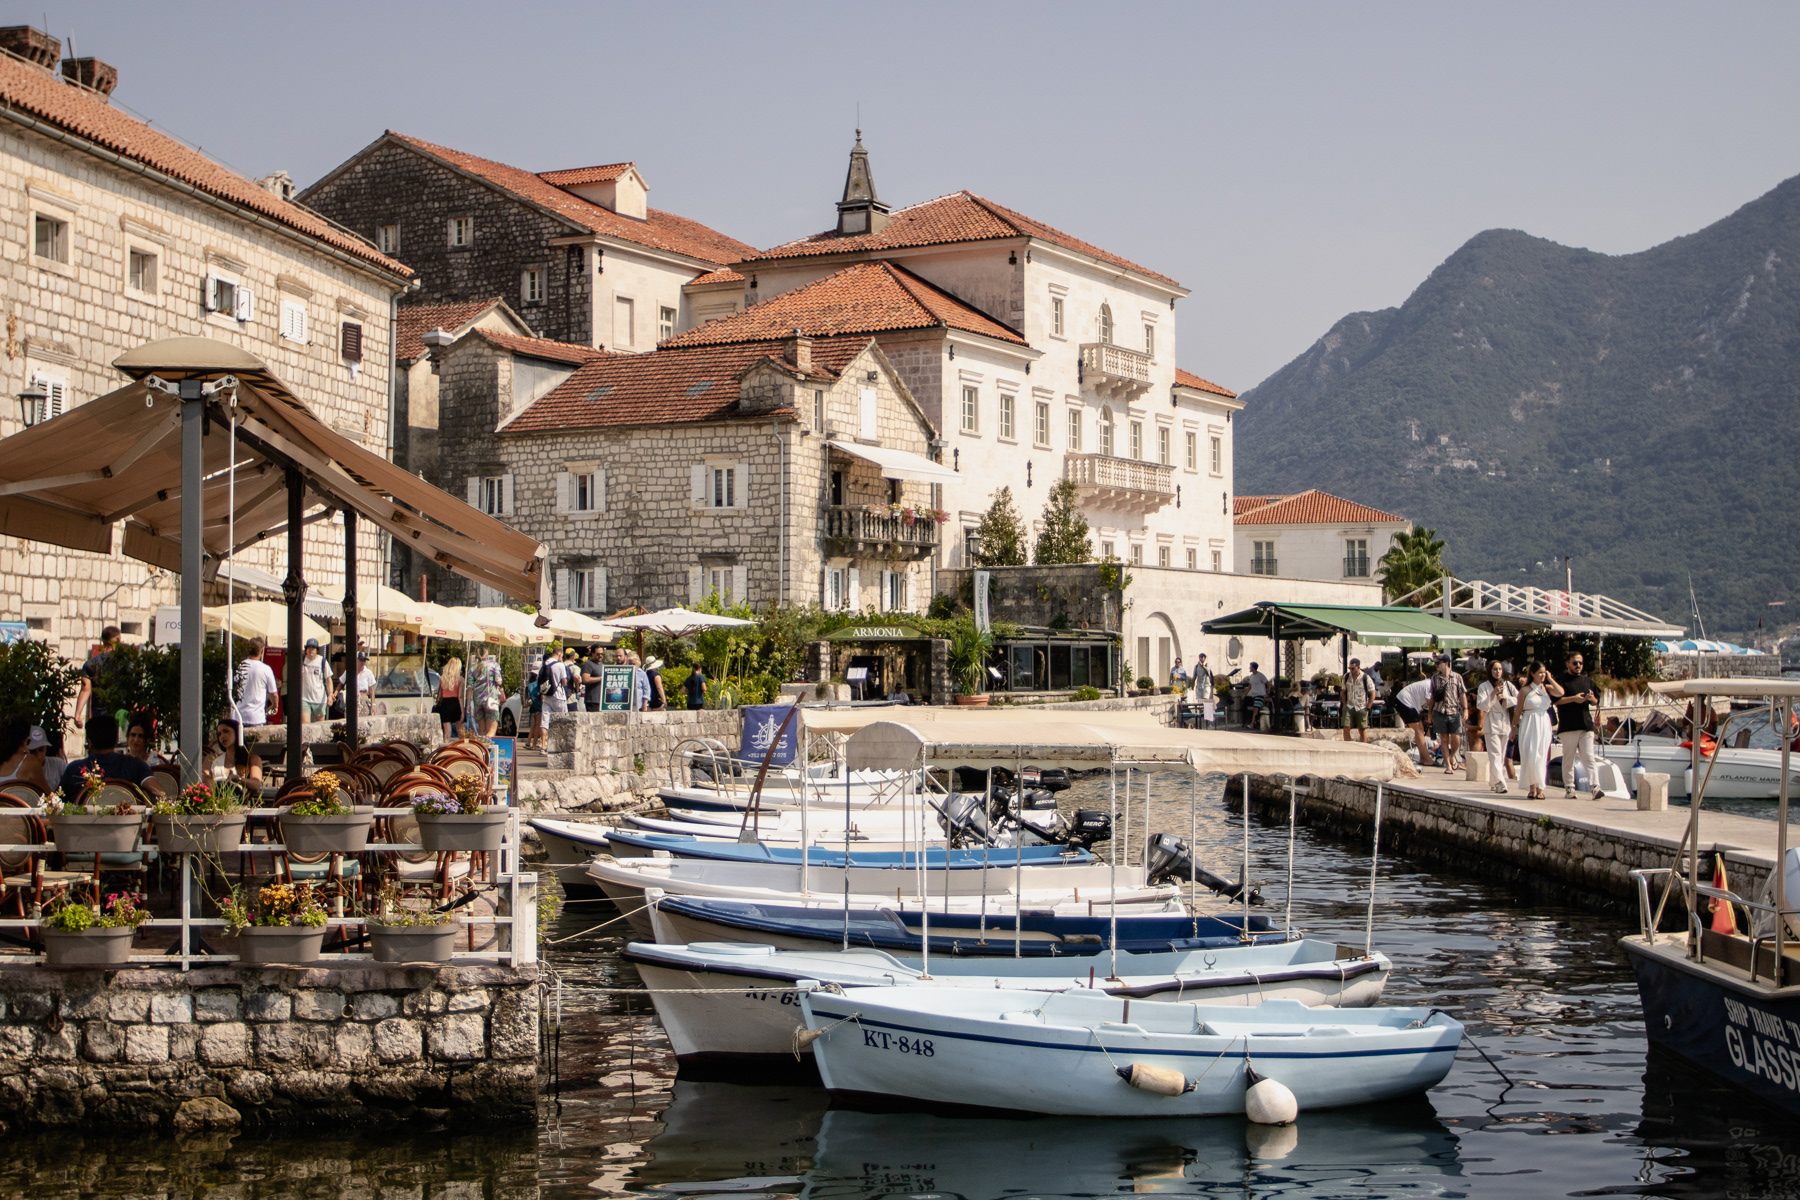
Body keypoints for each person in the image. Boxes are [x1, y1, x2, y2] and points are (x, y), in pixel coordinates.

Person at [58, 714, 152, 798]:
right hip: (128, 817)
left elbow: (57, 804)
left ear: (89, 742)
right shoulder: (135, 765)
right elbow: (158, 792)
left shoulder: (74, 769)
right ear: (116, 740)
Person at [1555, 652, 1604, 800]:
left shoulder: (1587, 681)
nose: (1578, 666)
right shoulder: (1561, 681)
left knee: (1588, 757)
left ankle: (1595, 787)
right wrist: (1573, 699)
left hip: (1586, 725)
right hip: (1568, 726)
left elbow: (1596, 701)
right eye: (1575, 663)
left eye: (1580, 663)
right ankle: (1569, 788)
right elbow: (1556, 701)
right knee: (1568, 758)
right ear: (1568, 664)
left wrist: (1591, 699)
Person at [1514, 662, 1563, 800]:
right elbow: (1518, 710)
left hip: (1543, 723)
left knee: (1541, 756)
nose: (1542, 675)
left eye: (1544, 672)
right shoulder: (1525, 690)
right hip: (1529, 722)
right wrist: (1513, 729)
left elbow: (1561, 692)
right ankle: (1532, 787)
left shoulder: (1546, 688)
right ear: (1532, 673)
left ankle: (1540, 788)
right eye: (1540, 672)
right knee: (1530, 756)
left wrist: (1550, 679)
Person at [1476, 660, 1519, 795]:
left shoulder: (1508, 686)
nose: (1497, 672)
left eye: (1500, 669)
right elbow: (1481, 705)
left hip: (1505, 724)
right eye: (1495, 669)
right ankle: (1501, 782)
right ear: (1490, 671)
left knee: (1501, 756)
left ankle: (1493, 781)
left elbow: (1519, 699)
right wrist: (1493, 694)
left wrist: (1505, 698)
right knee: (1494, 754)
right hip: (1491, 724)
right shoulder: (1484, 687)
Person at [73, 624, 121, 727]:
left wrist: (77, 715)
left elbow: (85, 689)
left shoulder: (90, 664)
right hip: (120, 714)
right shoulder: (124, 663)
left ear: (103, 641)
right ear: (118, 640)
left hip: (98, 715)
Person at [1428, 657, 1467, 775]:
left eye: (1438, 663)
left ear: (1446, 663)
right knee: (1444, 739)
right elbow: (1432, 697)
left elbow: (1462, 694)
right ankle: (1448, 766)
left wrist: (1465, 709)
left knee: (1456, 739)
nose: (1436, 666)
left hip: (1454, 711)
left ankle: (1451, 756)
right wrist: (1430, 713)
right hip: (1440, 711)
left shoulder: (1457, 677)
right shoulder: (1435, 678)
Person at [202, 718, 264, 786]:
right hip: (214, 794)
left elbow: (256, 784)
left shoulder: (252, 759)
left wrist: (237, 779)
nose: (222, 736)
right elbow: (203, 778)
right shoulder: (211, 758)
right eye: (219, 734)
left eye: (226, 731)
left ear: (237, 732)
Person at [235, 638, 279, 729]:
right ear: (262, 651)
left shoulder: (238, 666)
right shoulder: (266, 669)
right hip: (256, 718)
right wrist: (275, 706)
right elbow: (273, 694)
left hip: (238, 716)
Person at [1392, 673, 1435, 764]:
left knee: (1420, 730)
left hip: (1408, 703)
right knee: (1419, 730)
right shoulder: (1429, 685)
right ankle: (1427, 759)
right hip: (1405, 701)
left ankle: (1422, 758)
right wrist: (1432, 716)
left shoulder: (1430, 685)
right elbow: (1430, 702)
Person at [468, 648, 503, 737]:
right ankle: (487, 748)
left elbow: (469, 688)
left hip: (477, 701)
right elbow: (499, 682)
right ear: (487, 654)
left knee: (482, 730)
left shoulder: (472, 669)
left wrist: (468, 704)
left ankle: (482, 748)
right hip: (490, 699)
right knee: (492, 728)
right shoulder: (494, 665)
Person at [1341, 658, 1376, 743]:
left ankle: (1364, 747)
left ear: (1358, 667)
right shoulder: (1346, 677)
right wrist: (1344, 704)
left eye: (1353, 668)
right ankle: (1347, 746)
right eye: (1350, 668)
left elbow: (1372, 693)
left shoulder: (1365, 677)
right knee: (1346, 727)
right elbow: (1343, 691)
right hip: (1350, 705)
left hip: (1361, 706)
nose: (1351, 670)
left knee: (1362, 729)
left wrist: (1368, 707)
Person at [299, 638, 332, 725]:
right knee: (305, 724)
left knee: (319, 725)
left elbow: (328, 679)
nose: (311, 650)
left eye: (313, 648)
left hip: (319, 698)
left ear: (317, 650)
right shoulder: (302, 661)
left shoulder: (322, 661)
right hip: (305, 698)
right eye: (309, 648)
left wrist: (330, 695)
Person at [437, 657, 464, 743]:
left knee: (447, 733)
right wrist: (462, 712)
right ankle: (462, 750)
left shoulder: (442, 679)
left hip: (445, 704)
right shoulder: (460, 679)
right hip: (456, 703)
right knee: (460, 731)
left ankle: (446, 750)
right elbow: (460, 696)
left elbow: (439, 696)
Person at [581, 647, 606, 712]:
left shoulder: (602, 665)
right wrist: (601, 678)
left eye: (602, 654)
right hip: (592, 700)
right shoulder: (588, 664)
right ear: (592, 654)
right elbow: (585, 679)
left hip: (602, 700)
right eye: (598, 654)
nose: (600, 656)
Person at [353, 651, 377, 717]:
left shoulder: (368, 673)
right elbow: (341, 683)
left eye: (364, 661)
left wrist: (373, 704)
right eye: (361, 660)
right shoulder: (350, 671)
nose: (363, 663)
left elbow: (371, 690)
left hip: (363, 699)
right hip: (353, 699)